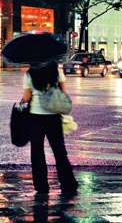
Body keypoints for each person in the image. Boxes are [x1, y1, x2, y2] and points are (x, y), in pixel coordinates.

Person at [22, 61, 78, 194]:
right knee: (59, 152)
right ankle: (67, 184)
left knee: (37, 152)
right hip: (53, 116)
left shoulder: (30, 73)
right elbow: (64, 92)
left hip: (35, 116)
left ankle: (41, 186)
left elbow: (26, 97)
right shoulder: (57, 71)